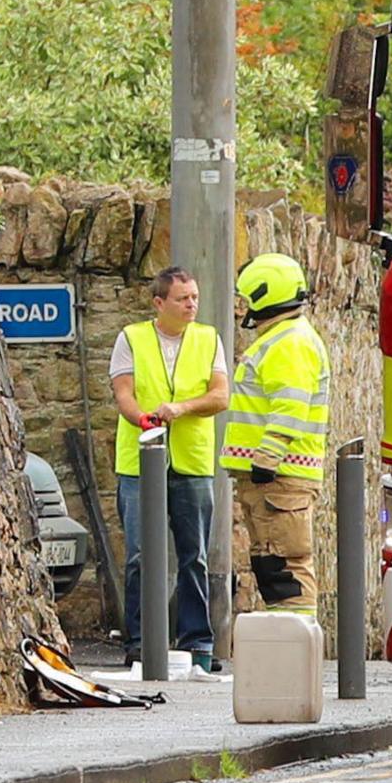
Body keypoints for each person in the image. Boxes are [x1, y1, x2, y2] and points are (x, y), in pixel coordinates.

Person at [109, 267, 229, 672]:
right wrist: (140, 417)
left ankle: (198, 643)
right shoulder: (131, 338)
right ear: (159, 303)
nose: (192, 304)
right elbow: (123, 393)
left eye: (194, 297)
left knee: (193, 555)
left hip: (191, 461)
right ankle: (141, 642)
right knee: (141, 555)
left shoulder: (209, 338)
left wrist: (180, 409)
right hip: (140, 461)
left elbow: (220, 396)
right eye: (183, 298)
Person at [221, 254, 332, 616]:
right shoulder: (284, 338)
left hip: (280, 477)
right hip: (273, 479)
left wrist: (267, 457)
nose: (244, 307)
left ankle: (294, 658)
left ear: (265, 294)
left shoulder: (289, 343)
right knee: (273, 568)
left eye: (247, 298)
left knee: (285, 569)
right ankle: (288, 652)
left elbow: (290, 404)